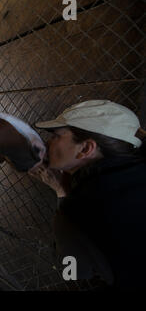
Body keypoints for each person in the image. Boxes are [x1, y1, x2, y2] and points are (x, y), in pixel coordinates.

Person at [29, 99, 146, 290]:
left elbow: (73, 272)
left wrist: (62, 193)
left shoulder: (77, 209)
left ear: (86, 149)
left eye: (56, 136)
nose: (47, 142)